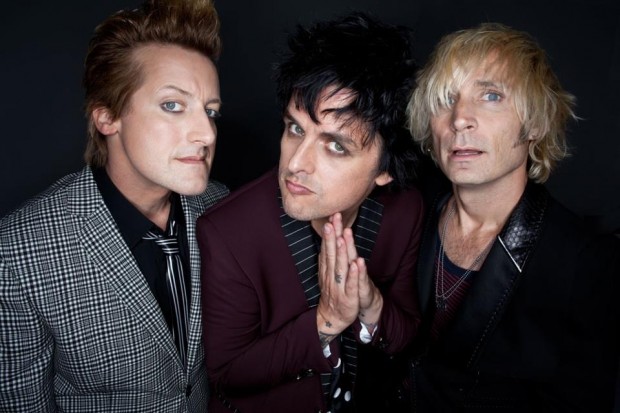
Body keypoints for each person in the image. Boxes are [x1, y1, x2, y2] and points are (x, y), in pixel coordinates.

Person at [0, 0, 228, 410]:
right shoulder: (19, 252)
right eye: (173, 105)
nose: (207, 134)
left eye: (210, 111)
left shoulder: (220, 205)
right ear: (107, 118)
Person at [196, 12, 423, 413]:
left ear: (384, 170)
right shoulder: (227, 231)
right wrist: (326, 322)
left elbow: (405, 337)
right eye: (295, 129)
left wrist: (372, 305)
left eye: (335, 146)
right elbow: (227, 374)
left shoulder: (405, 211)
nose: (295, 164)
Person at [406, 22, 620, 411]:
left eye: (491, 96)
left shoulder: (585, 262)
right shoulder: (409, 211)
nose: (459, 119)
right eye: (445, 99)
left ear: (535, 123)